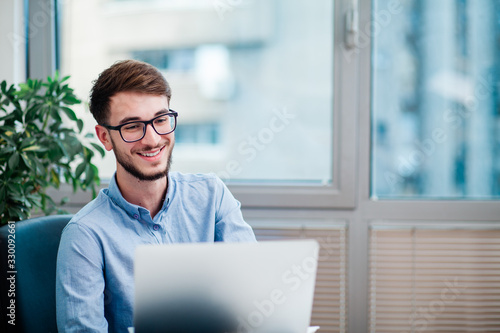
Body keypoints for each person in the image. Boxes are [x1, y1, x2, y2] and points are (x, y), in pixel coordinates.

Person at [55, 59, 256, 332]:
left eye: (161, 120)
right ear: (104, 137)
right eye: (133, 126)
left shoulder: (212, 195)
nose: (152, 139)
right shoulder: (85, 235)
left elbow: (254, 298)